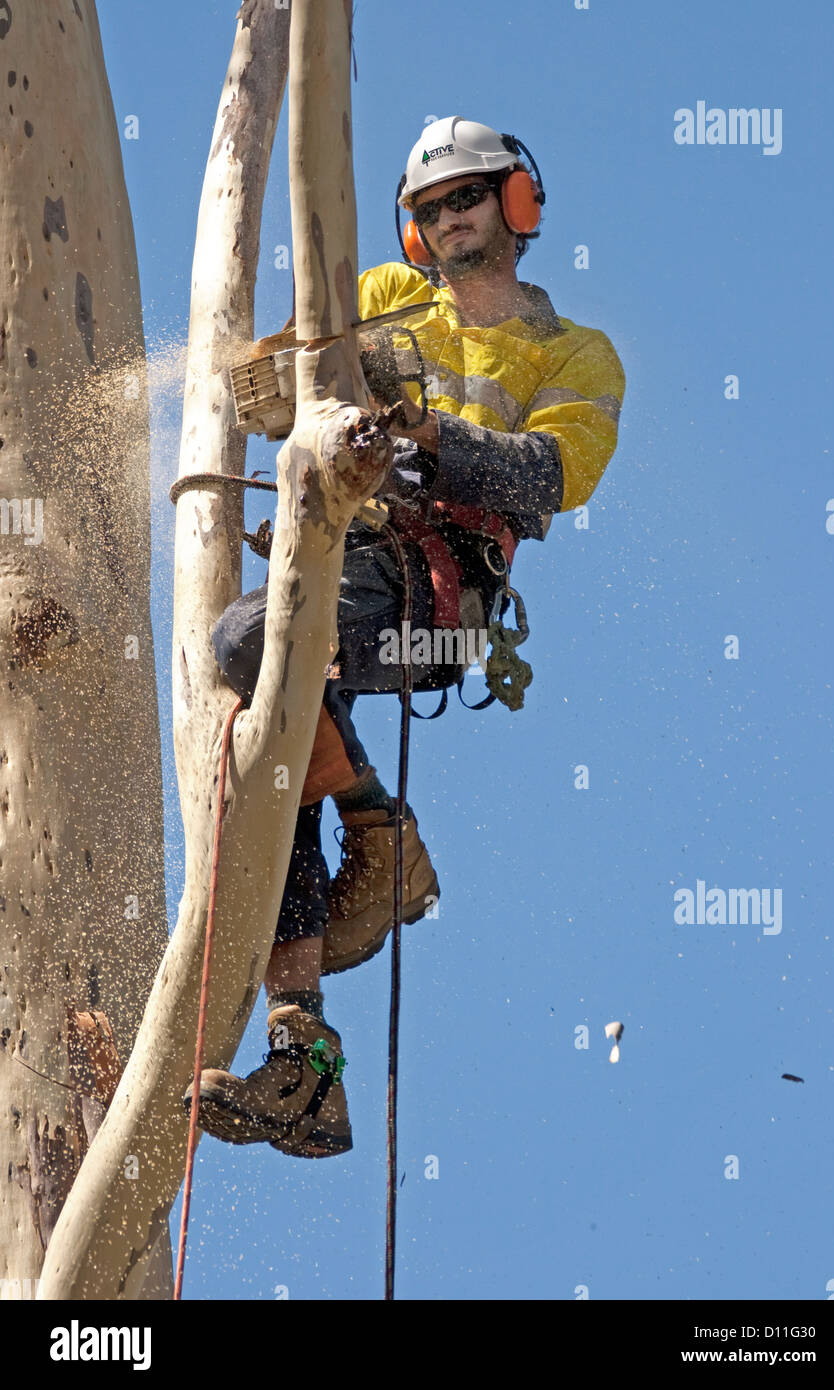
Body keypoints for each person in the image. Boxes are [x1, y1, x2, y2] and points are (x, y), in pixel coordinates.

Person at [183, 117, 626, 1158]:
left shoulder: (572, 353)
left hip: (437, 606)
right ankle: (304, 1052)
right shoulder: (382, 296)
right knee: (263, 749)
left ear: (516, 205)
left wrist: (427, 430)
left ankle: (380, 831)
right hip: (344, 565)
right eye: (428, 207)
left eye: (466, 196)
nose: (445, 217)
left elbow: (546, 477)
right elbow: (267, 391)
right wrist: (293, 372)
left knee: (249, 642)